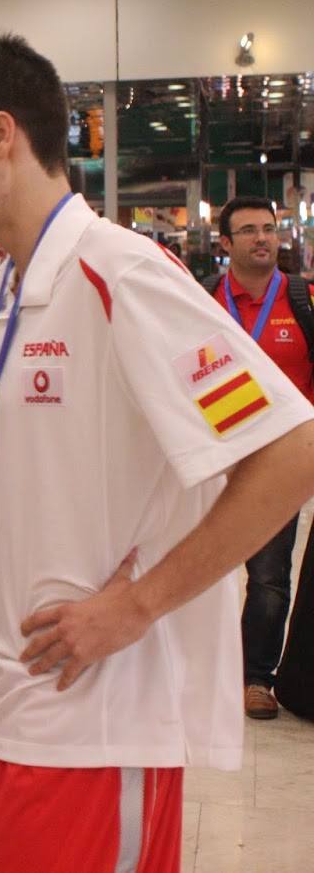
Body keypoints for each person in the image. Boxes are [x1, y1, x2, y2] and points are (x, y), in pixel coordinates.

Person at [0, 32, 314, 873]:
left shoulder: (122, 274)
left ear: (2, 135)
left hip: (100, 724)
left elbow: (291, 450)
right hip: (16, 699)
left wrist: (138, 604)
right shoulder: (13, 281)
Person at [206, 195, 314, 721]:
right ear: (225, 244)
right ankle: (195, 669)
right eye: (247, 230)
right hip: (213, 459)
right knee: (198, 568)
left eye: (268, 229)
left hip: (280, 465)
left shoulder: (302, 299)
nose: (262, 238)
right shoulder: (200, 300)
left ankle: (256, 678)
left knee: (269, 575)